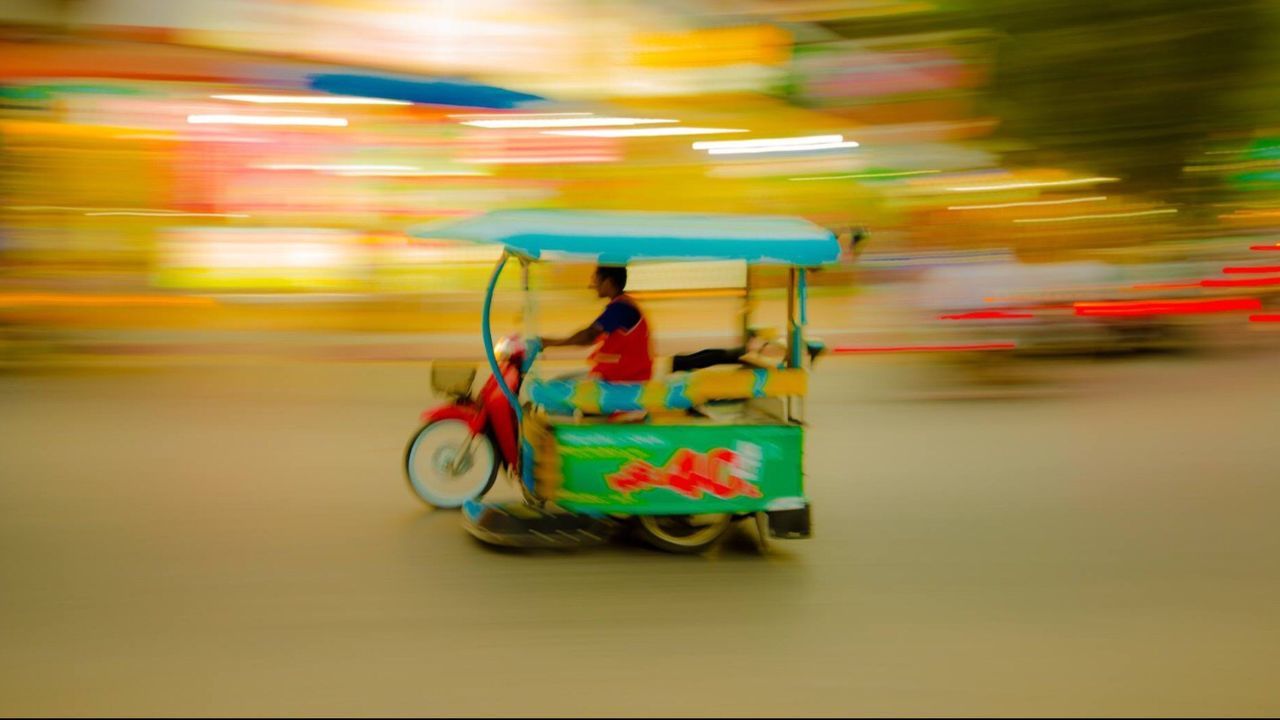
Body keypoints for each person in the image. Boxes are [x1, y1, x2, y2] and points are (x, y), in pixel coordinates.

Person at [539, 265, 653, 382]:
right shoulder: (622, 305)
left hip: (623, 379)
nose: (592, 285)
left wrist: (547, 343)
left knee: (558, 388)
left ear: (608, 282)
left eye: (596, 279)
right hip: (621, 374)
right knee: (560, 382)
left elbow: (588, 336)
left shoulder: (620, 309)